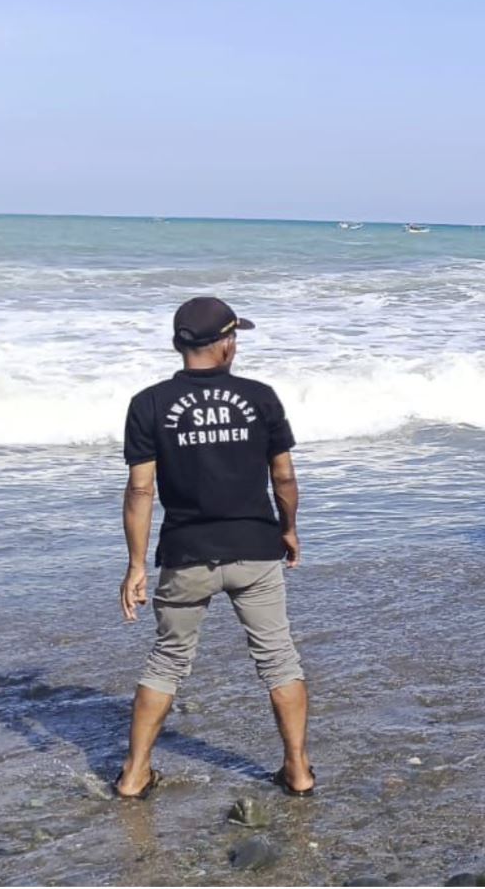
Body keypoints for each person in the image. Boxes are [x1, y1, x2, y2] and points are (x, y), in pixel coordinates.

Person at [116, 297, 311, 799]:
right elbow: (283, 476)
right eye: (234, 337)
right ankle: (297, 770)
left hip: (186, 554)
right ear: (225, 344)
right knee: (278, 659)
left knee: (166, 661)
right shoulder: (260, 397)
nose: (235, 345)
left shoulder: (149, 403)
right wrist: (288, 528)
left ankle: (135, 775)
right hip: (255, 549)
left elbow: (140, 490)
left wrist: (136, 565)